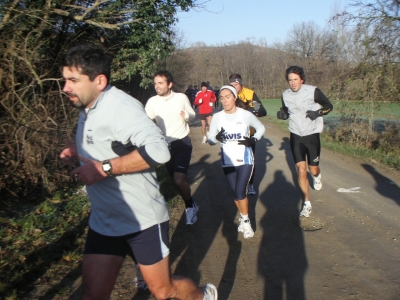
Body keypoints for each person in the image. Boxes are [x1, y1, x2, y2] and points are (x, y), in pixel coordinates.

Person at [59, 43, 217, 300]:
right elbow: (109, 145)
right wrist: (78, 154)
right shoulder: (85, 107)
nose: (66, 87)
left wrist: (104, 168)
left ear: (99, 80)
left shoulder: (120, 107)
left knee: (162, 290)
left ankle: (202, 296)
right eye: (65, 80)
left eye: (73, 80)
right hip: (104, 220)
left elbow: (158, 150)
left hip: (142, 220)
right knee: (93, 294)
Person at [208, 85, 265, 238]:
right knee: (236, 193)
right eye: (222, 97)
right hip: (228, 161)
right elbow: (210, 138)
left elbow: (261, 128)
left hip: (245, 159)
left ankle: (246, 222)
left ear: (234, 97)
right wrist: (215, 138)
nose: (225, 100)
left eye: (228, 97)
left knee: (240, 192)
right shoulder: (218, 117)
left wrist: (253, 139)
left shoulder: (245, 115)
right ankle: (243, 217)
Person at [277, 65, 333, 218]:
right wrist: (283, 115)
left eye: (295, 79)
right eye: (290, 80)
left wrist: (318, 113)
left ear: (302, 79)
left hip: (311, 135)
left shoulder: (313, 91)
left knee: (312, 169)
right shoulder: (285, 94)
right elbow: (287, 111)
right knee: (301, 170)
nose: (293, 83)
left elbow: (329, 106)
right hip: (295, 135)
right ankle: (306, 203)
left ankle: (316, 176)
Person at [146, 70, 199, 225]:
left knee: (178, 180)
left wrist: (187, 116)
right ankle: (191, 203)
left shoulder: (181, 98)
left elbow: (192, 114)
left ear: (170, 84)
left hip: (182, 143)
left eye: (160, 83)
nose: (157, 86)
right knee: (177, 182)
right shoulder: (152, 102)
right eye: (155, 83)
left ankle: (190, 207)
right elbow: (146, 122)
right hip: (165, 146)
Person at [229, 73, 267, 195]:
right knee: (235, 160)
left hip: (248, 133)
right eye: (232, 85)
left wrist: (249, 110)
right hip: (233, 133)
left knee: (249, 160)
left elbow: (262, 111)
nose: (234, 87)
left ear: (240, 84)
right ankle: (239, 184)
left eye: (236, 84)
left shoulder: (250, 93)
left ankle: (250, 184)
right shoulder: (227, 93)